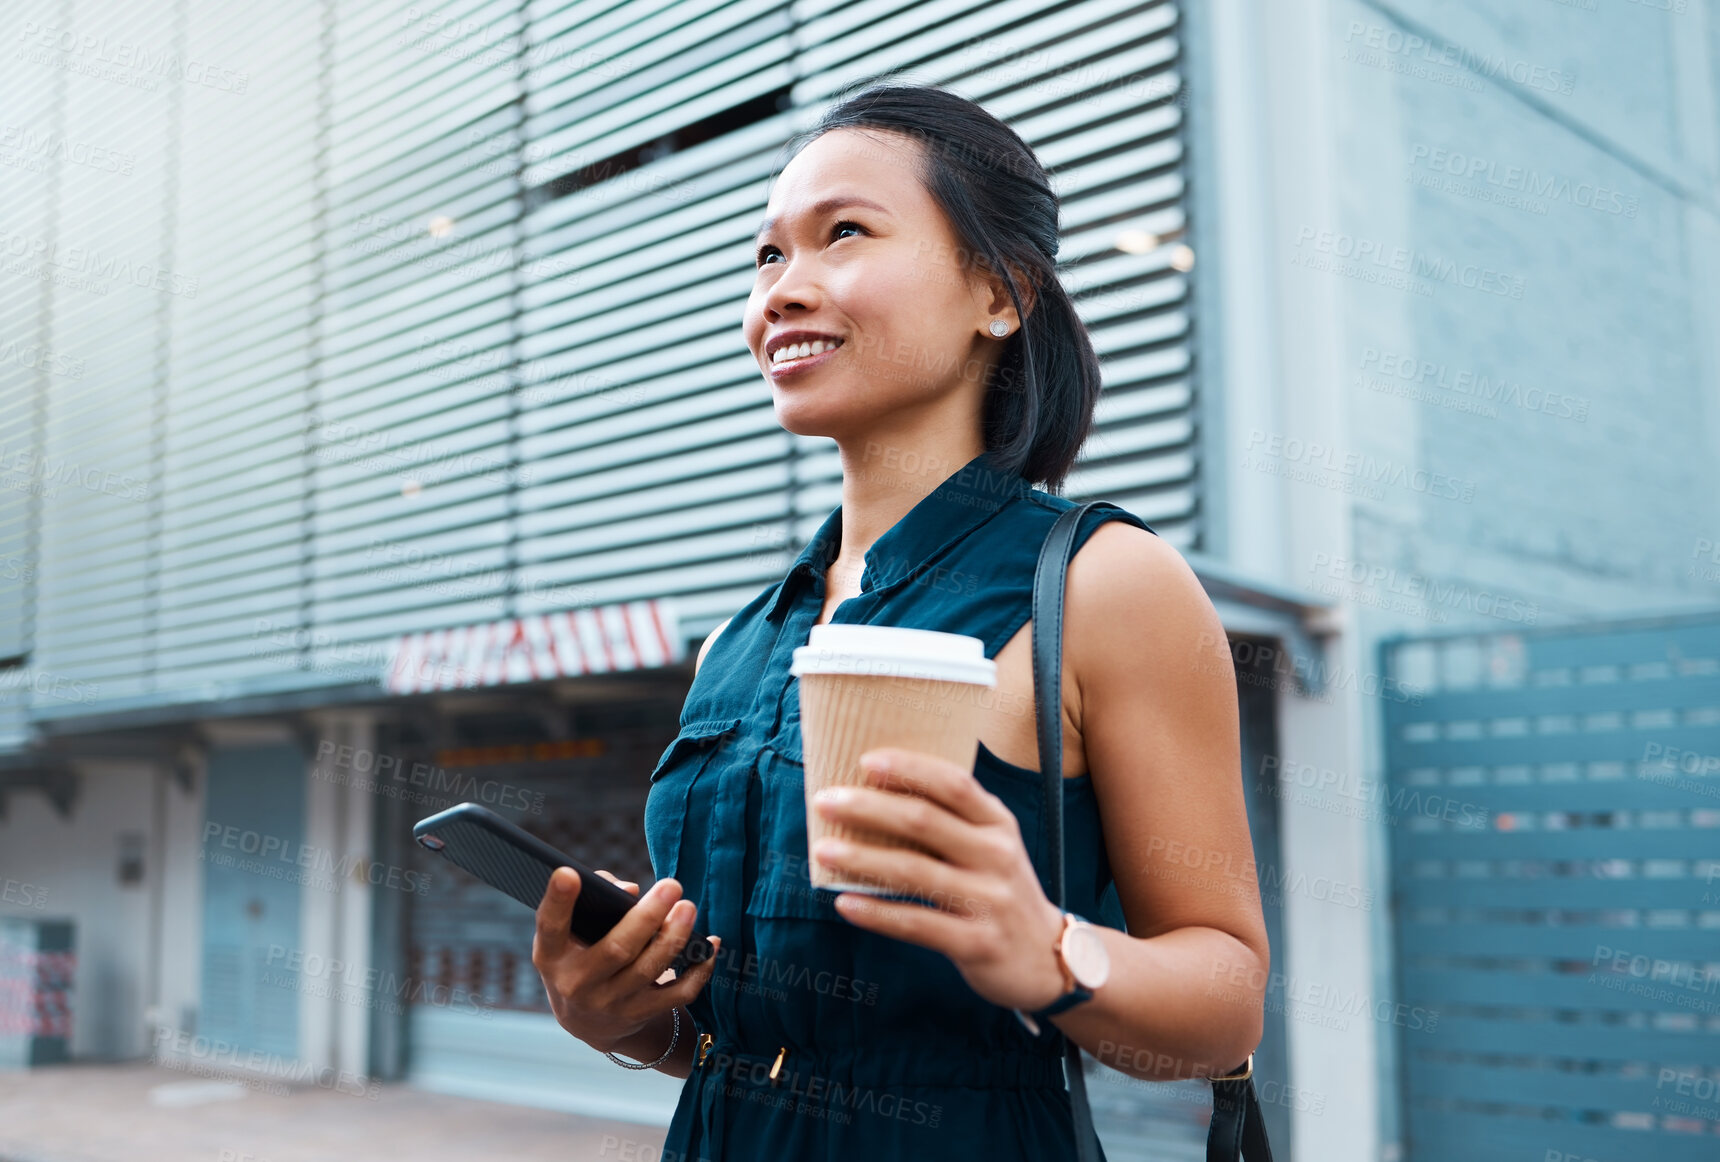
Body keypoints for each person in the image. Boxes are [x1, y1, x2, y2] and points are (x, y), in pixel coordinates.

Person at [531, 81, 1268, 1160]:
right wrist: (619, 1018)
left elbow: (1225, 1003)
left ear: (1001, 294)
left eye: (842, 234)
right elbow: (737, 1031)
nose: (784, 288)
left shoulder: (1106, 585)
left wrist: (1049, 951)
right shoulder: (739, 643)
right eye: (767, 255)